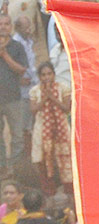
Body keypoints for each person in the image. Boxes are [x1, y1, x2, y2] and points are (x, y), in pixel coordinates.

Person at [29, 63, 71, 195]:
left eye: (49, 74)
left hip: (61, 128)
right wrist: (44, 97)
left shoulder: (63, 88)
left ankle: (69, 192)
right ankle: (49, 192)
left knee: (65, 158)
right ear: (39, 77)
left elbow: (66, 108)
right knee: (43, 159)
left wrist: (52, 97)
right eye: (43, 75)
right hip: (42, 129)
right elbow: (34, 110)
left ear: (54, 74)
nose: (46, 77)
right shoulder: (35, 91)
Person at [0, 18, 29, 173]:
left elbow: (22, 69)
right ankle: (3, 168)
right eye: (0, 24)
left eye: (6, 24)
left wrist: (5, 55)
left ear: (11, 27)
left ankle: (17, 169)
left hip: (13, 98)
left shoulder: (17, 47)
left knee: (17, 135)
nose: (3, 27)